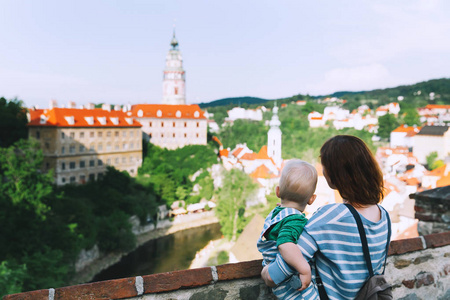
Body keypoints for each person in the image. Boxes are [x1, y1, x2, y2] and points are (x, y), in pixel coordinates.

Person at [261, 135, 391, 300]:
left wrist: (265, 271)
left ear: (333, 174)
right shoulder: (384, 216)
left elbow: (275, 275)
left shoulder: (329, 217)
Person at [257, 159, 318, 295]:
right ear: (311, 199)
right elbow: (285, 244)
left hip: (275, 276)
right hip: (291, 284)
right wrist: (304, 269)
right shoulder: (294, 219)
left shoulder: (276, 214)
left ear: (278, 191)